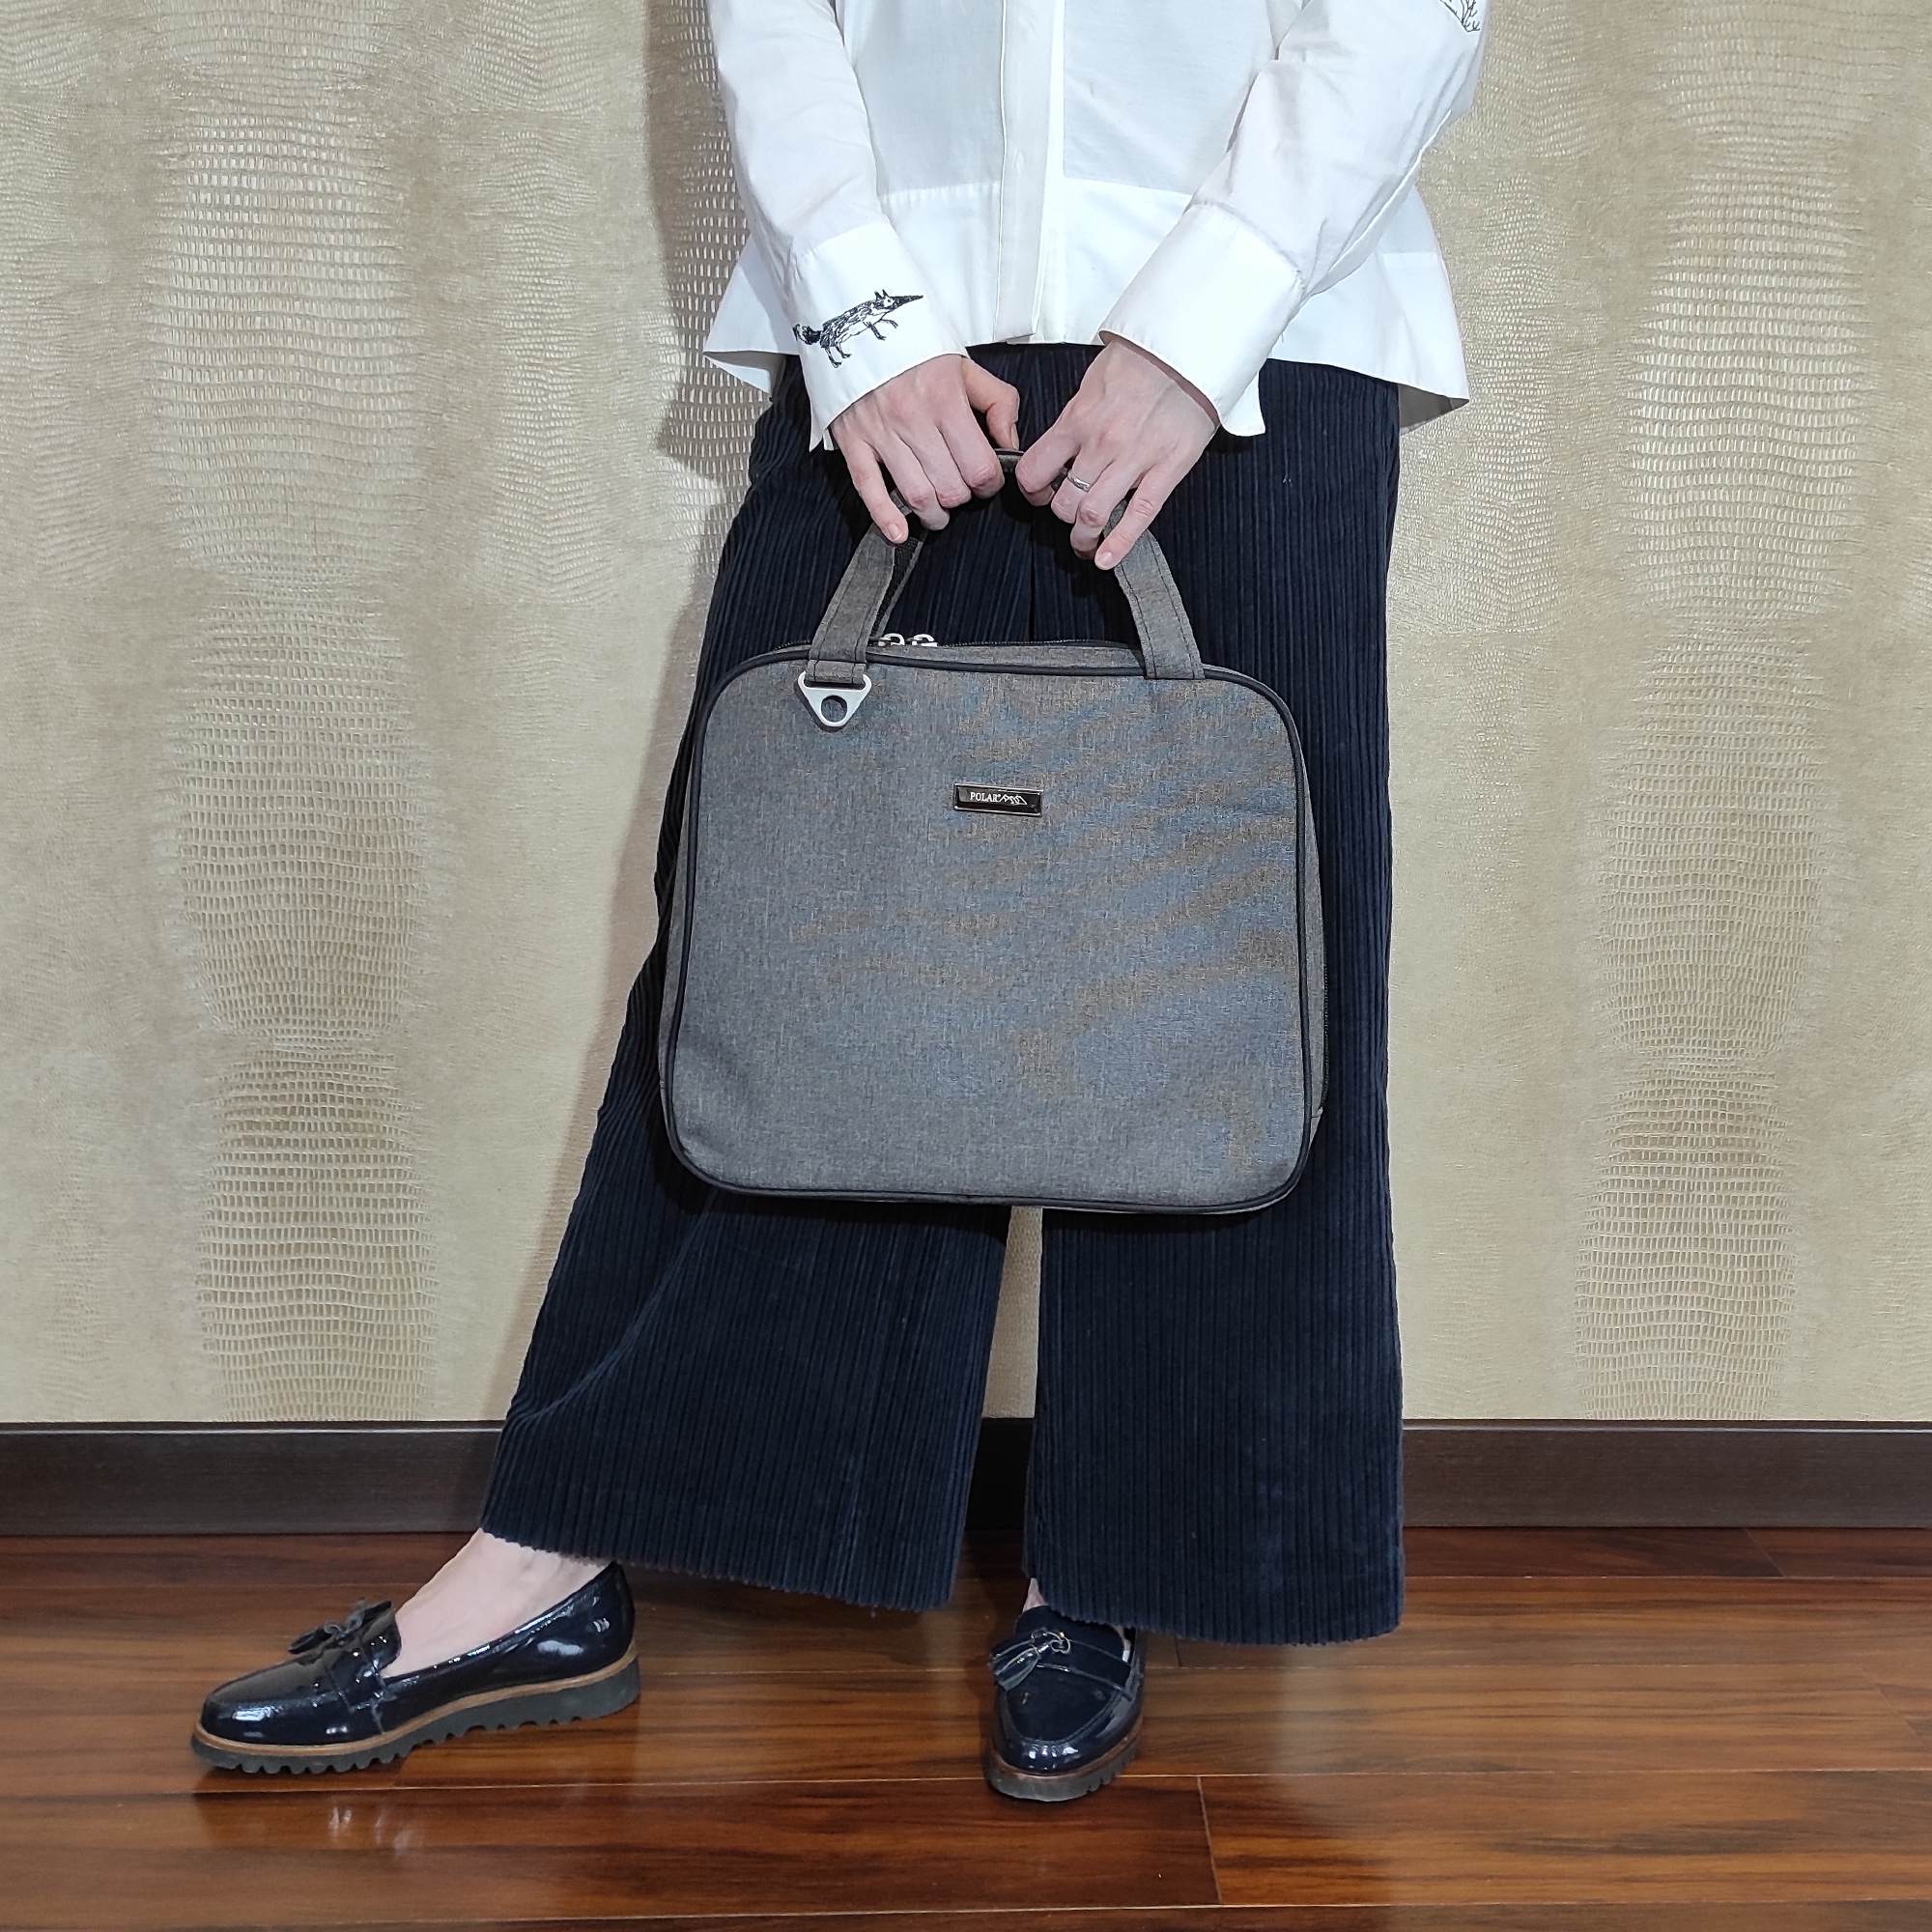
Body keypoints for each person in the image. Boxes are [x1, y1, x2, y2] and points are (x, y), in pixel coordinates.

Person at [190, 0, 1489, 1803]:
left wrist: (1198, 326)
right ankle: (548, 1563)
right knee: (783, 939)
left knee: (1206, 972)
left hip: (1260, 335)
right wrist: (865, 317)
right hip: (893, 319)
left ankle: (1113, 1569)